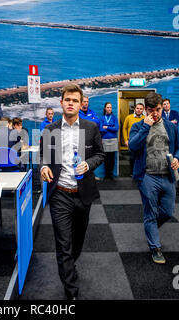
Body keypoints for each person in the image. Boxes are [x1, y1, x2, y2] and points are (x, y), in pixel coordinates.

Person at [40, 84, 105, 300]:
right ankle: (72, 292)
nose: (71, 103)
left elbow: (100, 154)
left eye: (75, 100)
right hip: (59, 193)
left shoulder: (91, 127)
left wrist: (89, 164)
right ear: (61, 103)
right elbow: (44, 156)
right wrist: (43, 167)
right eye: (67, 99)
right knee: (63, 245)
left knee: (77, 242)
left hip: (82, 194)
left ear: (80, 104)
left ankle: (69, 267)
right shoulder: (50, 130)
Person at [129, 92, 179, 264]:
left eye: (157, 110)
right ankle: (155, 247)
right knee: (150, 213)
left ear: (162, 107)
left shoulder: (171, 127)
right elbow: (133, 148)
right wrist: (145, 126)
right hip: (147, 177)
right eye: (151, 110)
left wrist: (177, 159)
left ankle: (150, 228)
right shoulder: (138, 126)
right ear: (145, 109)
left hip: (168, 177)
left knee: (167, 212)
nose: (155, 114)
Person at [122, 103, 145, 175]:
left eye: (141, 109)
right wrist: (126, 140)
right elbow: (124, 128)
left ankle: (140, 173)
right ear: (135, 109)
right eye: (137, 108)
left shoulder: (145, 118)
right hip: (131, 142)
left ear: (143, 110)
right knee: (132, 158)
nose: (139, 110)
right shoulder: (128, 117)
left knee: (141, 158)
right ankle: (132, 173)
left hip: (142, 142)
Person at [98, 102, 119, 180]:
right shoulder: (102, 118)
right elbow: (101, 129)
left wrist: (106, 127)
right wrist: (111, 127)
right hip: (105, 140)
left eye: (110, 107)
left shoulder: (114, 118)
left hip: (113, 140)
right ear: (105, 108)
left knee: (112, 158)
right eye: (108, 107)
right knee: (106, 159)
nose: (109, 109)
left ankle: (111, 175)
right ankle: (106, 175)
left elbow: (116, 128)